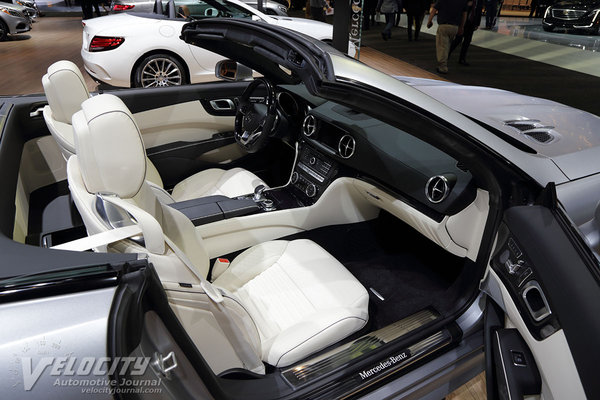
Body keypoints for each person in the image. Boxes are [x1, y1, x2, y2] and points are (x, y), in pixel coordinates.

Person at [426, 0, 469, 73]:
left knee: (442, 47)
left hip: (444, 26)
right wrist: (461, 27)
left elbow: (434, 10)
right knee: (447, 46)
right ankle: (444, 62)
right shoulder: (463, 1)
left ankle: (442, 67)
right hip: (455, 27)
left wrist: (429, 21)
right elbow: (464, 15)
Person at [449, 0, 481, 64]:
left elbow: (479, 11)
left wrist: (477, 23)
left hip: (472, 23)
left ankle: (462, 59)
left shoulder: (479, 1)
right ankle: (447, 54)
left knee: (467, 42)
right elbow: (460, 9)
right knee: (458, 40)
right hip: (463, 23)